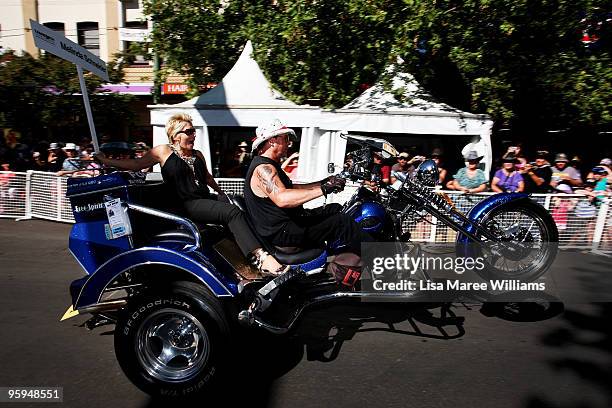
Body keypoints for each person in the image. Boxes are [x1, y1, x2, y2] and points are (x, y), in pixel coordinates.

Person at [94, 113, 287, 276]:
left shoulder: (198, 155)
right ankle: (261, 258)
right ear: (175, 135)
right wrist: (106, 161)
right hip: (184, 203)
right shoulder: (163, 151)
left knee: (238, 205)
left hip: (201, 199)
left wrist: (222, 193)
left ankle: (249, 262)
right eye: (189, 131)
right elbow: (136, 164)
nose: (193, 134)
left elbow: (208, 178)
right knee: (231, 212)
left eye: (193, 131)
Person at [244, 119, 366, 267]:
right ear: (273, 141)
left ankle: (343, 262)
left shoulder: (268, 165)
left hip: (286, 227)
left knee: (334, 208)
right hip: (283, 234)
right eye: (286, 138)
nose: (289, 143)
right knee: (342, 222)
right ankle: (386, 264)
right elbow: (282, 198)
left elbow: (292, 189)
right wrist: (324, 189)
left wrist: (325, 182)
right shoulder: (263, 168)